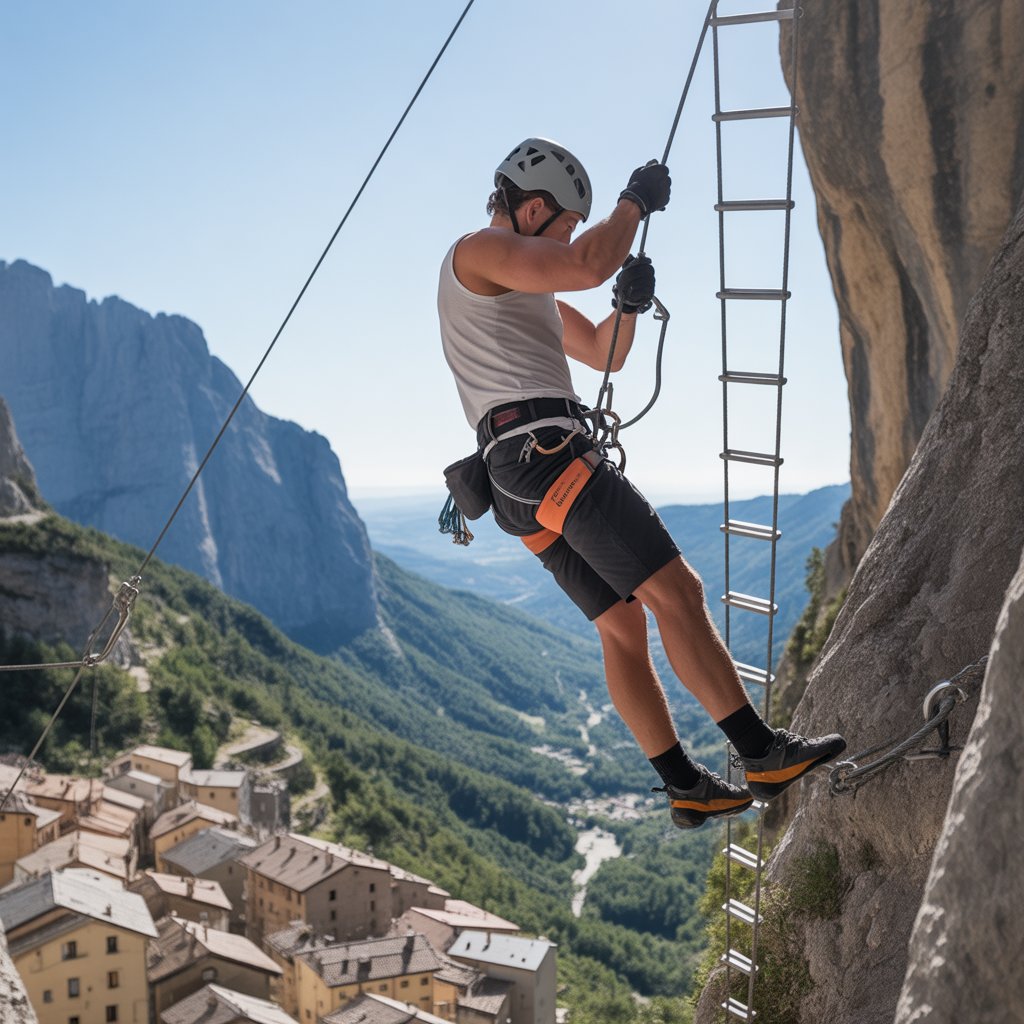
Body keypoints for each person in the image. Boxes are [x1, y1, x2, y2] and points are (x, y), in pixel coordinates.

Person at [438, 138, 845, 828]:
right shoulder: (479, 251)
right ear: (533, 209)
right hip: (546, 454)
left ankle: (684, 785)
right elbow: (586, 264)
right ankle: (761, 751)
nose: (567, 238)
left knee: (623, 625)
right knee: (677, 592)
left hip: (519, 477)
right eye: (566, 224)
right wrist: (634, 201)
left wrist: (626, 307)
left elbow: (605, 352)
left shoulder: (521, 287)